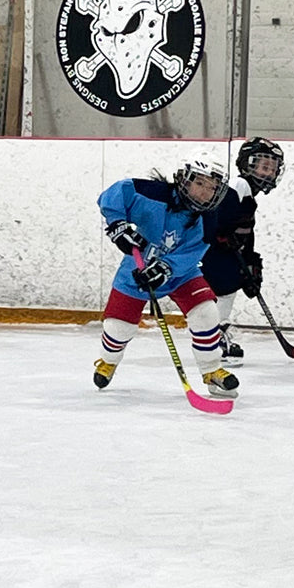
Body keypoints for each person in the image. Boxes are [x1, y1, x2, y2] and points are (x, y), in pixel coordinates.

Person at [94, 160, 240, 406]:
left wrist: (166, 268)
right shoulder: (152, 194)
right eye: (200, 183)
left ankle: (212, 369)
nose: (205, 192)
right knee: (118, 328)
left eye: (212, 187)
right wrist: (118, 225)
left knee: (206, 311)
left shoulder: (209, 219)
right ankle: (108, 360)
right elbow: (114, 193)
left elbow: (193, 253)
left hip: (181, 274)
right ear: (184, 179)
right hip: (136, 269)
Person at [200, 137, 285, 366]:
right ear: (247, 164)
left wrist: (250, 262)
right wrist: (221, 235)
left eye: (272, 168)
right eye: (263, 166)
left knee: (228, 287)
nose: (268, 173)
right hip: (212, 251)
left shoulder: (248, 193)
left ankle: (216, 335)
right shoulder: (239, 185)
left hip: (222, 251)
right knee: (224, 289)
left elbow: (244, 232)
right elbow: (215, 216)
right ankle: (214, 338)